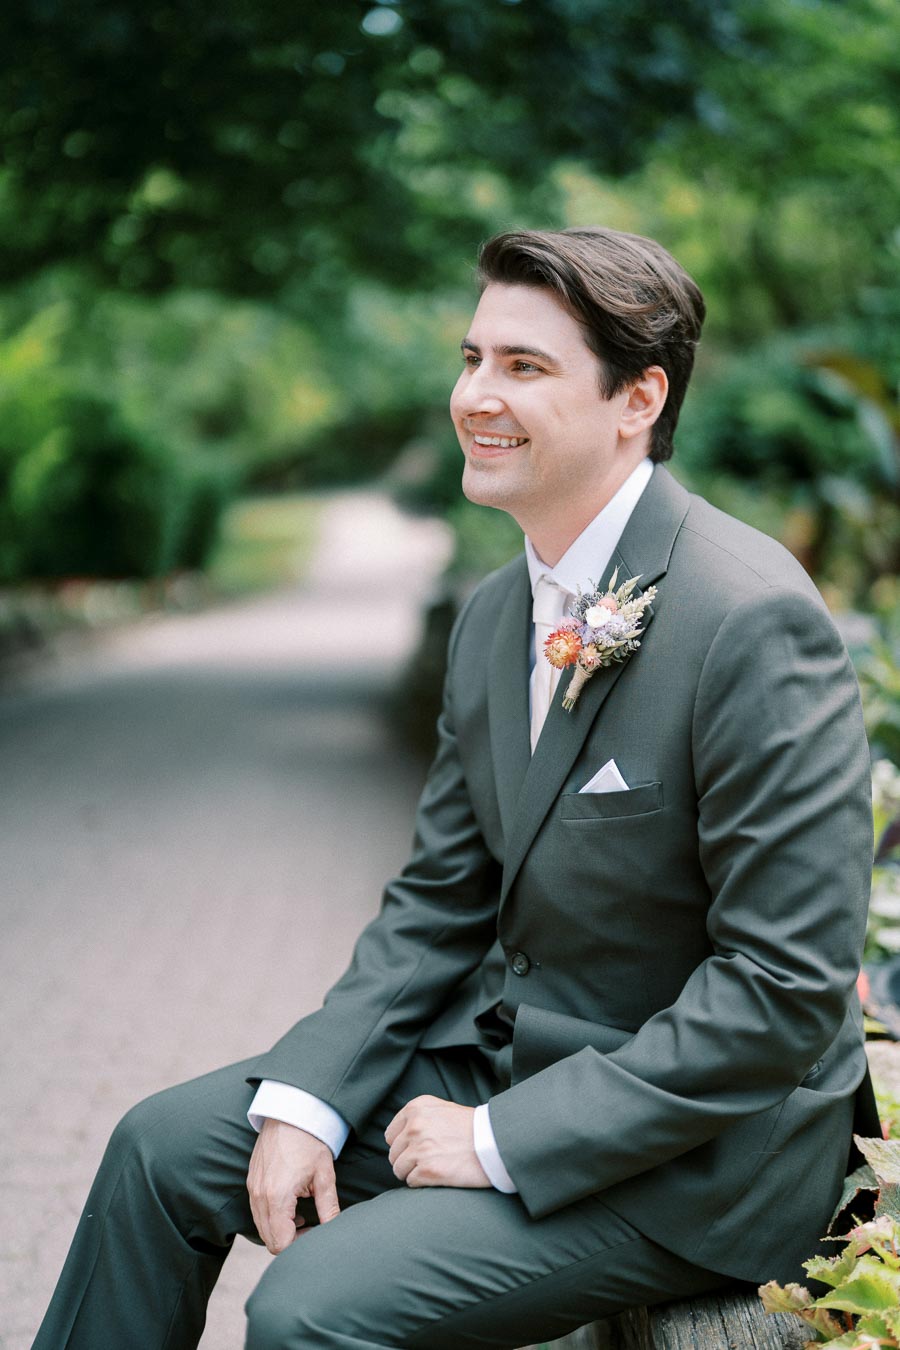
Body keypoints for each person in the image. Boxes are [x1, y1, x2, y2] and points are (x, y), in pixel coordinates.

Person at [34, 227, 874, 1350]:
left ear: (638, 399)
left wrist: (495, 1139)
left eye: (524, 367)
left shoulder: (751, 618)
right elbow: (440, 899)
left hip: (701, 1150)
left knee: (306, 1310)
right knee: (159, 1150)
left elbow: (783, 991)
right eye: (473, 358)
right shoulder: (495, 615)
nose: (475, 394)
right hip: (509, 1053)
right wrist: (308, 1098)